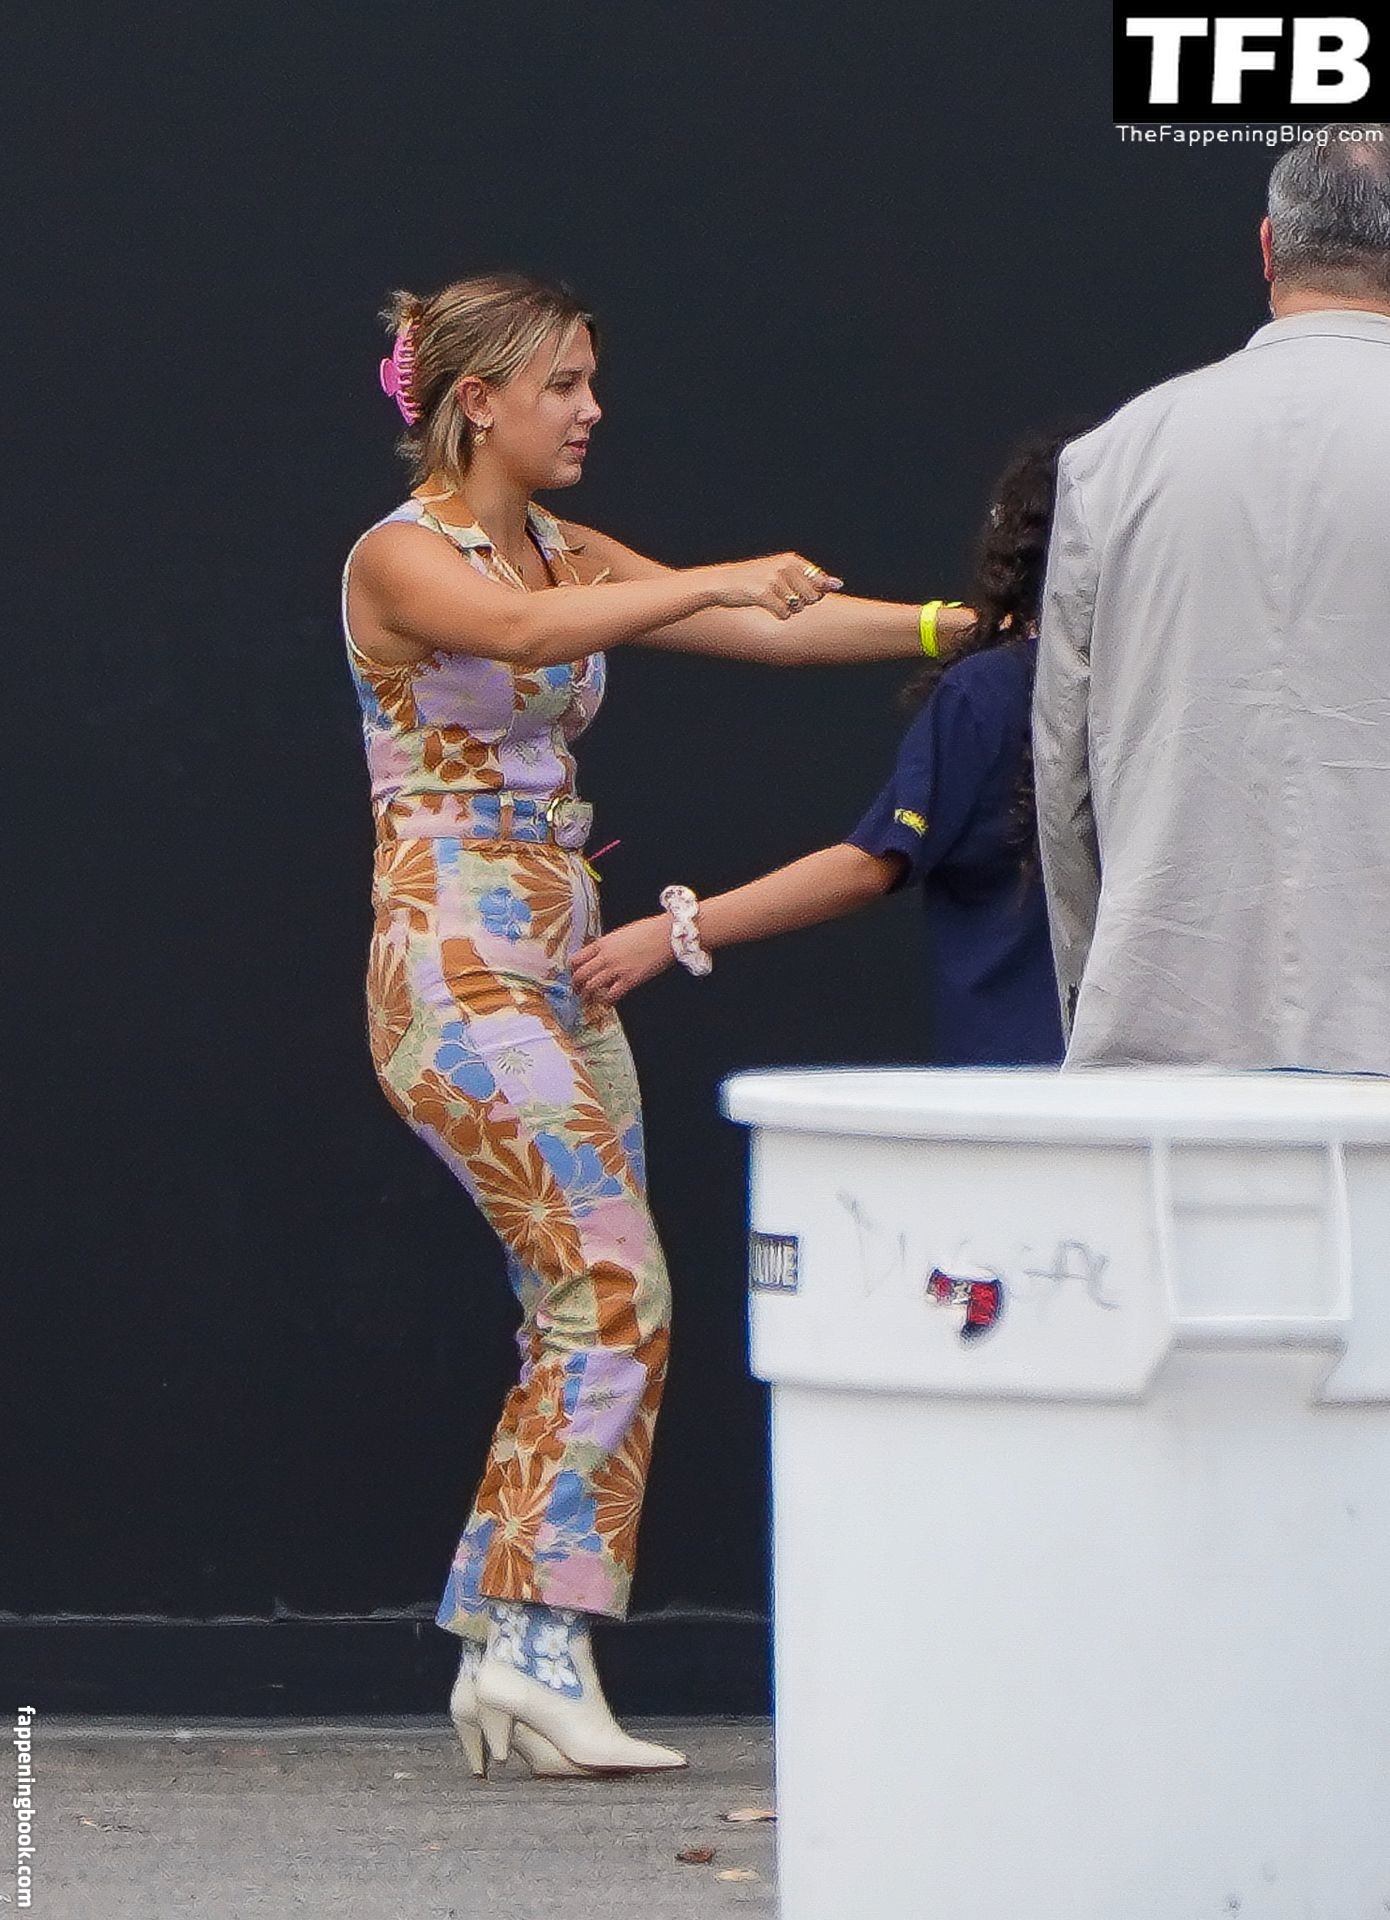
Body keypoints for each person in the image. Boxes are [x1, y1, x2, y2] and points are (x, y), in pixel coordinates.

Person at [340, 271, 973, 1777]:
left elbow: (768, 631)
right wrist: (709, 580)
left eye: (589, 381)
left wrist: (961, 627)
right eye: (562, 384)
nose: (591, 410)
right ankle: (534, 1646)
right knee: (610, 1286)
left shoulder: (561, 547)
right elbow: (521, 629)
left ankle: (514, 1647)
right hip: (452, 965)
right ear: (477, 400)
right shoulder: (400, 555)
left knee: (593, 1298)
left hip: (557, 959)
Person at [1034, 124, 1390, 1071]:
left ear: (1269, 248)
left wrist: (1096, 1001)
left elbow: (1063, 774)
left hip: (1169, 1034)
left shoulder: (1116, 455)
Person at [574, 432, 1075, 1071]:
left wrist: (677, 930)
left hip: (1021, 1064)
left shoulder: (989, 691)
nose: (590, 410)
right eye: (564, 387)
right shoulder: (1154, 685)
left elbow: (869, 864)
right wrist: (965, 627)